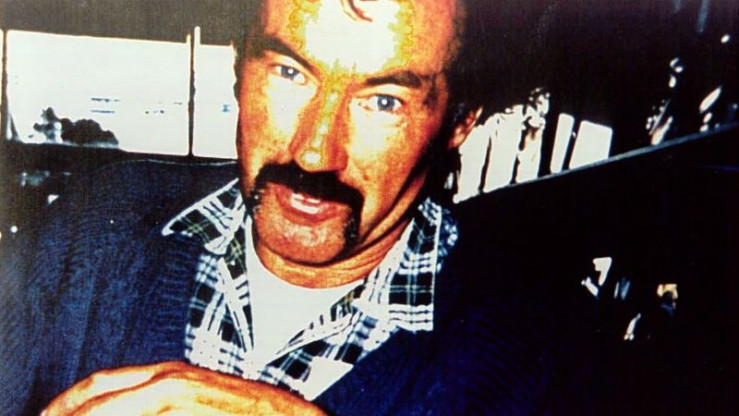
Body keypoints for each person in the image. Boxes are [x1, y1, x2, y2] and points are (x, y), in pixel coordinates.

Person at [0, 0, 556, 414]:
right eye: (290, 73)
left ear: (459, 122)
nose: (314, 152)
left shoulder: (542, 347)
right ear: (239, 68)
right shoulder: (90, 229)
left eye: (383, 101)